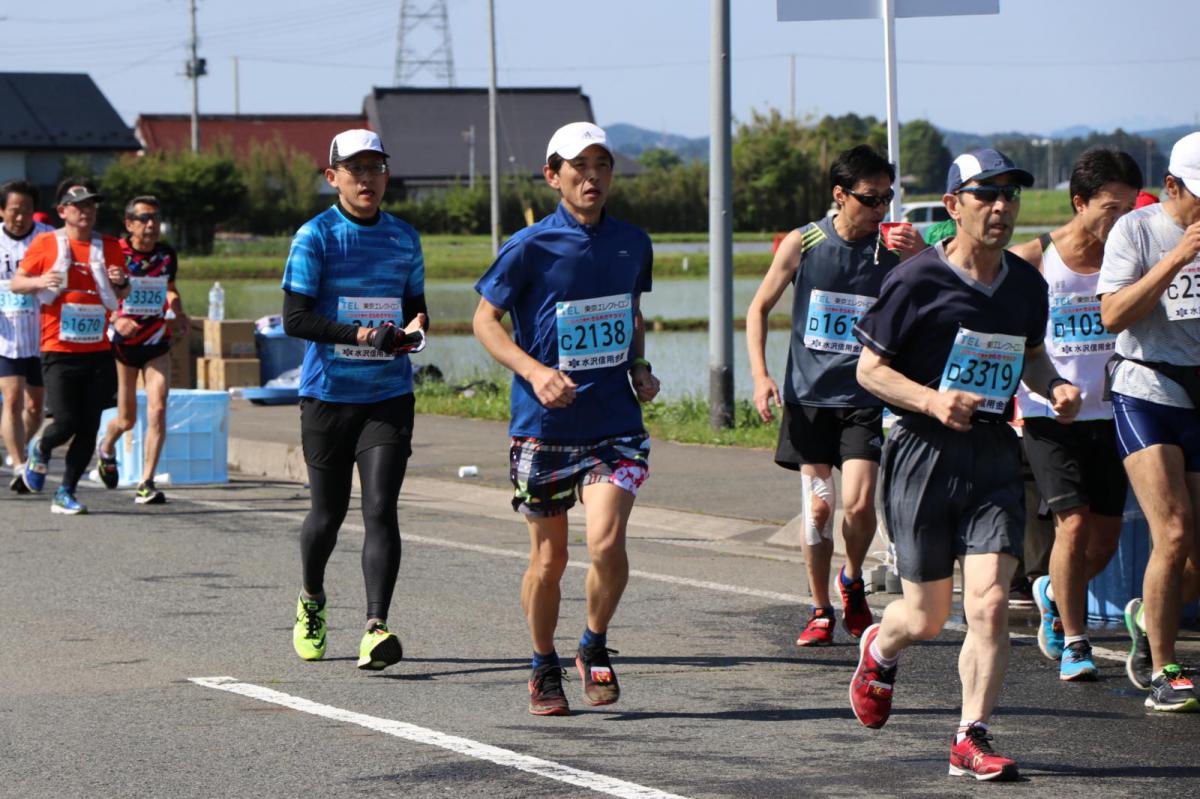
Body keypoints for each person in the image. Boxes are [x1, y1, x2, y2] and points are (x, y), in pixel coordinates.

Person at [848, 149, 1081, 781]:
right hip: (922, 453)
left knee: (987, 602)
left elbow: (1031, 356)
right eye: (986, 195)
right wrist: (929, 398)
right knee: (924, 617)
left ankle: (969, 736)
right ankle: (881, 646)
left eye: (1010, 195)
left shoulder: (1027, 284)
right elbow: (869, 369)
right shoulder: (915, 279)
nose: (1001, 206)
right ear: (954, 206)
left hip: (993, 455)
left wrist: (1053, 385)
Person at [473, 121, 660, 716]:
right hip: (545, 426)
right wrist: (534, 372)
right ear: (553, 175)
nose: (592, 177)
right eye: (579, 167)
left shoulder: (633, 241)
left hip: (614, 424)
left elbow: (628, 311)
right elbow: (484, 322)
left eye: (602, 165)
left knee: (606, 541)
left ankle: (594, 644)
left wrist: (639, 365)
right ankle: (541, 663)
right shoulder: (529, 245)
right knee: (550, 559)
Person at [746, 145, 922, 647]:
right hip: (808, 397)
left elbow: (940, 295)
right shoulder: (805, 242)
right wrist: (761, 377)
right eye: (870, 200)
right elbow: (758, 309)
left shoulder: (892, 247)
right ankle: (820, 606)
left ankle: (852, 579)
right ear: (839, 196)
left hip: (865, 395)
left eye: (887, 198)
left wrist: (918, 256)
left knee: (861, 505)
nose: (881, 211)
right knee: (819, 508)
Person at [282, 129, 427, 672]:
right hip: (327, 396)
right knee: (327, 514)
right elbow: (296, 319)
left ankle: (375, 627)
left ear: (387, 175)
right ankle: (312, 600)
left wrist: (414, 327)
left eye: (376, 169)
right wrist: (364, 335)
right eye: (356, 170)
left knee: (380, 509)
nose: (367, 179)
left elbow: (416, 305)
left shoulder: (404, 238)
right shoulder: (315, 237)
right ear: (333, 177)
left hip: (387, 393)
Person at [1008, 147, 1143, 682]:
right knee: (1074, 524)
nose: (1122, 220)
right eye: (1111, 208)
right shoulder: (1033, 260)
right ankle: (1075, 642)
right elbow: (1006, 341)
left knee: (1104, 542)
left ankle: (1049, 591)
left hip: (1116, 412)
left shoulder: (1132, 258)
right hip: (1049, 417)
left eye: (1131, 208)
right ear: (1079, 202)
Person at [1098, 131, 1200, 712]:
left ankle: (1144, 613)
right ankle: (1165, 671)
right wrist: (1176, 258)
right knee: (1175, 531)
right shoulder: (1135, 231)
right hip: (1147, 386)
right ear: (1171, 187)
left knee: (1195, 559)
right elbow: (1113, 313)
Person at [10, 178, 126, 514]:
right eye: (79, 206)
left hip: (97, 349)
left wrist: (122, 281)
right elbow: (17, 282)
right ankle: (42, 448)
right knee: (65, 421)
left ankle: (66, 491)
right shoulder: (46, 244)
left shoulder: (110, 246)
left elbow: (122, 293)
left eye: (91, 205)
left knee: (89, 426)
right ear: (63, 211)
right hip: (58, 348)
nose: (86, 211)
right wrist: (38, 281)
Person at [95, 196, 189, 504]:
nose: (151, 225)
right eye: (144, 219)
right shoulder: (116, 253)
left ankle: (146, 481)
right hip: (123, 343)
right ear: (129, 224)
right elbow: (98, 295)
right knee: (126, 420)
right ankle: (106, 448)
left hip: (156, 341)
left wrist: (179, 309)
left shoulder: (165, 254)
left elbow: (170, 286)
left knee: (158, 409)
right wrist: (116, 317)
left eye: (156, 219)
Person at [0, 180, 54, 493]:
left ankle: (20, 446)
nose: (21, 218)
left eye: (28, 212)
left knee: (35, 407)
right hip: (6, 333)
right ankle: (20, 466)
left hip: (41, 332)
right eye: (15, 211)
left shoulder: (46, 238)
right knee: (12, 397)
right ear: (2, 211)